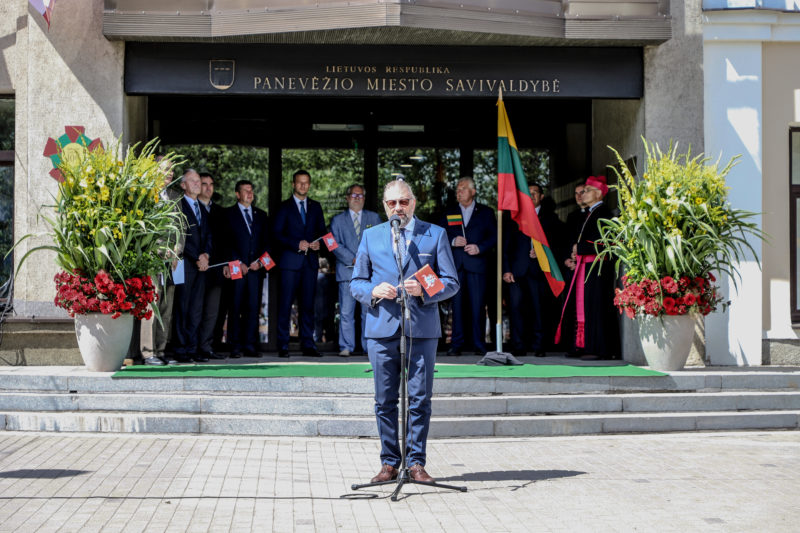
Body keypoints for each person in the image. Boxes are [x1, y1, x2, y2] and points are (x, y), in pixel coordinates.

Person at [350, 179, 459, 484]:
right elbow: (356, 283)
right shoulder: (371, 236)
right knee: (385, 400)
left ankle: (415, 463)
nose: (398, 208)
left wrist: (425, 290)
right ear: (385, 206)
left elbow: (451, 282)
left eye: (404, 201)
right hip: (382, 329)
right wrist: (374, 291)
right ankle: (389, 463)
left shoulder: (435, 234)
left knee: (419, 399)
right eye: (392, 203)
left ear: (414, 202)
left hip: (421, 328)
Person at [558, 175, 620, 360]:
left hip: (597, 269)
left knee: (596, 308)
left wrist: (580, 248)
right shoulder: (590, 213)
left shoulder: (605, 213)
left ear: (598, 193)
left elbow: (607, 242)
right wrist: (575, 251)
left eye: (586, 191)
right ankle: (583, 345)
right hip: (586, 267)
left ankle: (599, 348)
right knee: (583, 308)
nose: (582, 194)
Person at [502, 183, 564, 358]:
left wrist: (542, 252)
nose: (532, 196)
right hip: (516, 272)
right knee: (516, 309)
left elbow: (558, 245)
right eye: (528, 193)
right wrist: (506, 270)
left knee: (539, 310)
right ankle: (518, 346)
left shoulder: (551, 219)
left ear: (541, 197)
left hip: (540, 270)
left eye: (535, 193)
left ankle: (539, 346)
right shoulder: (515, 217)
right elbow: (506, 246)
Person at [273, 170, 327, 357]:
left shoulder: (316, 207)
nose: (303, 186)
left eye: (306, 182)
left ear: (309, 185)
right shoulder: (284, 207)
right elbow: (276, 235)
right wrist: (296, 243)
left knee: (308, 306)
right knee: (285, 305)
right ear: (293, 184)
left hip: (310, 263)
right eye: (299, 182)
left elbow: (322, 232)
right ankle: (283, 345)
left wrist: (319, 243)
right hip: (289, 263)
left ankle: (308, 344)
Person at [442, 177, 496, 356]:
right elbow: (440, 234)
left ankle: (479, 344)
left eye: (463, 189)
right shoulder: (450, 212)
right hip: (456, 266)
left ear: (473, 192)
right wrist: (453, 241)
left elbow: (494, 236)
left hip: (477, 265)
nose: (459, 192)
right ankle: (456, 344)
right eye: (457, 189)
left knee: (478, 307)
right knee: (457, 308)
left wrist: (480, 247)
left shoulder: (486, 212)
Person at [329, 184, 382, 356]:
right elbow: (334, 245)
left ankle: (369, 347)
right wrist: (353, 258)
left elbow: (381, 241)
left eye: (360, 195)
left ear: (364, 199)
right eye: (354, 195)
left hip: (369, 273)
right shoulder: (337, 220)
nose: (357, 198)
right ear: (347, 198)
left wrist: (365, 259)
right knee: (346, 312)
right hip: (346, 272)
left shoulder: (374, 218)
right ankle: (346, 346)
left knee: (368, 312)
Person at [222, 180, 269, 358]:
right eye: (245, 190)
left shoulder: (261, 215)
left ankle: (250, 345)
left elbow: (267, 243)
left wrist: (260, 262)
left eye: (251, 190)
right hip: (237, 269)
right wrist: (237, 261)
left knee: (253, 308)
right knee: (235, 307)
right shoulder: (228, 214)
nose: (250, 194)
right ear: (237, 194)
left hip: (256, 271)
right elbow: (225, 242)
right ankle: (235, 346)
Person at [140, 156, 180, 366]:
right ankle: (148, 353)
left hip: (173, 261)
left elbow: (181, 227)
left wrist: (177, 250)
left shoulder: (175, 196)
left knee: (167, 306)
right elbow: (142, 229)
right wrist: (159, 250)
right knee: (152, 305)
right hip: (153, 260)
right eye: (166, 169)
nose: (170, 173)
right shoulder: (146, 195)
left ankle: (161, 350)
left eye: (172, 170)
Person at [172, 169, 212, 362]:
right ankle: (180, 350)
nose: (197, 184)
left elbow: (209, 235)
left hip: (201, 266)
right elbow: (181, 237)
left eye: (198, 181)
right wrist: (197, 256)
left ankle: (192, 348)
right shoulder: (178, 206)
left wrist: (206, 255)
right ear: (183, 185)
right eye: (193, 181)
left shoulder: (202, 207)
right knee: (183, 308)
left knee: (196, 310)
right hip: (184, 264)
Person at [197, 172, 226, 360]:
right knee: (194, 310)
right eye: (204, 184)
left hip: (216, 268)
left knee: (212, 311)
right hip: (196, 268)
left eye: (211, 184)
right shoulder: (191, 207)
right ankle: (191, 347)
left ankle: (207, 346)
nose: (208, 188)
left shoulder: (220, 212)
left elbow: (225, 241)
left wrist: (225, 264)